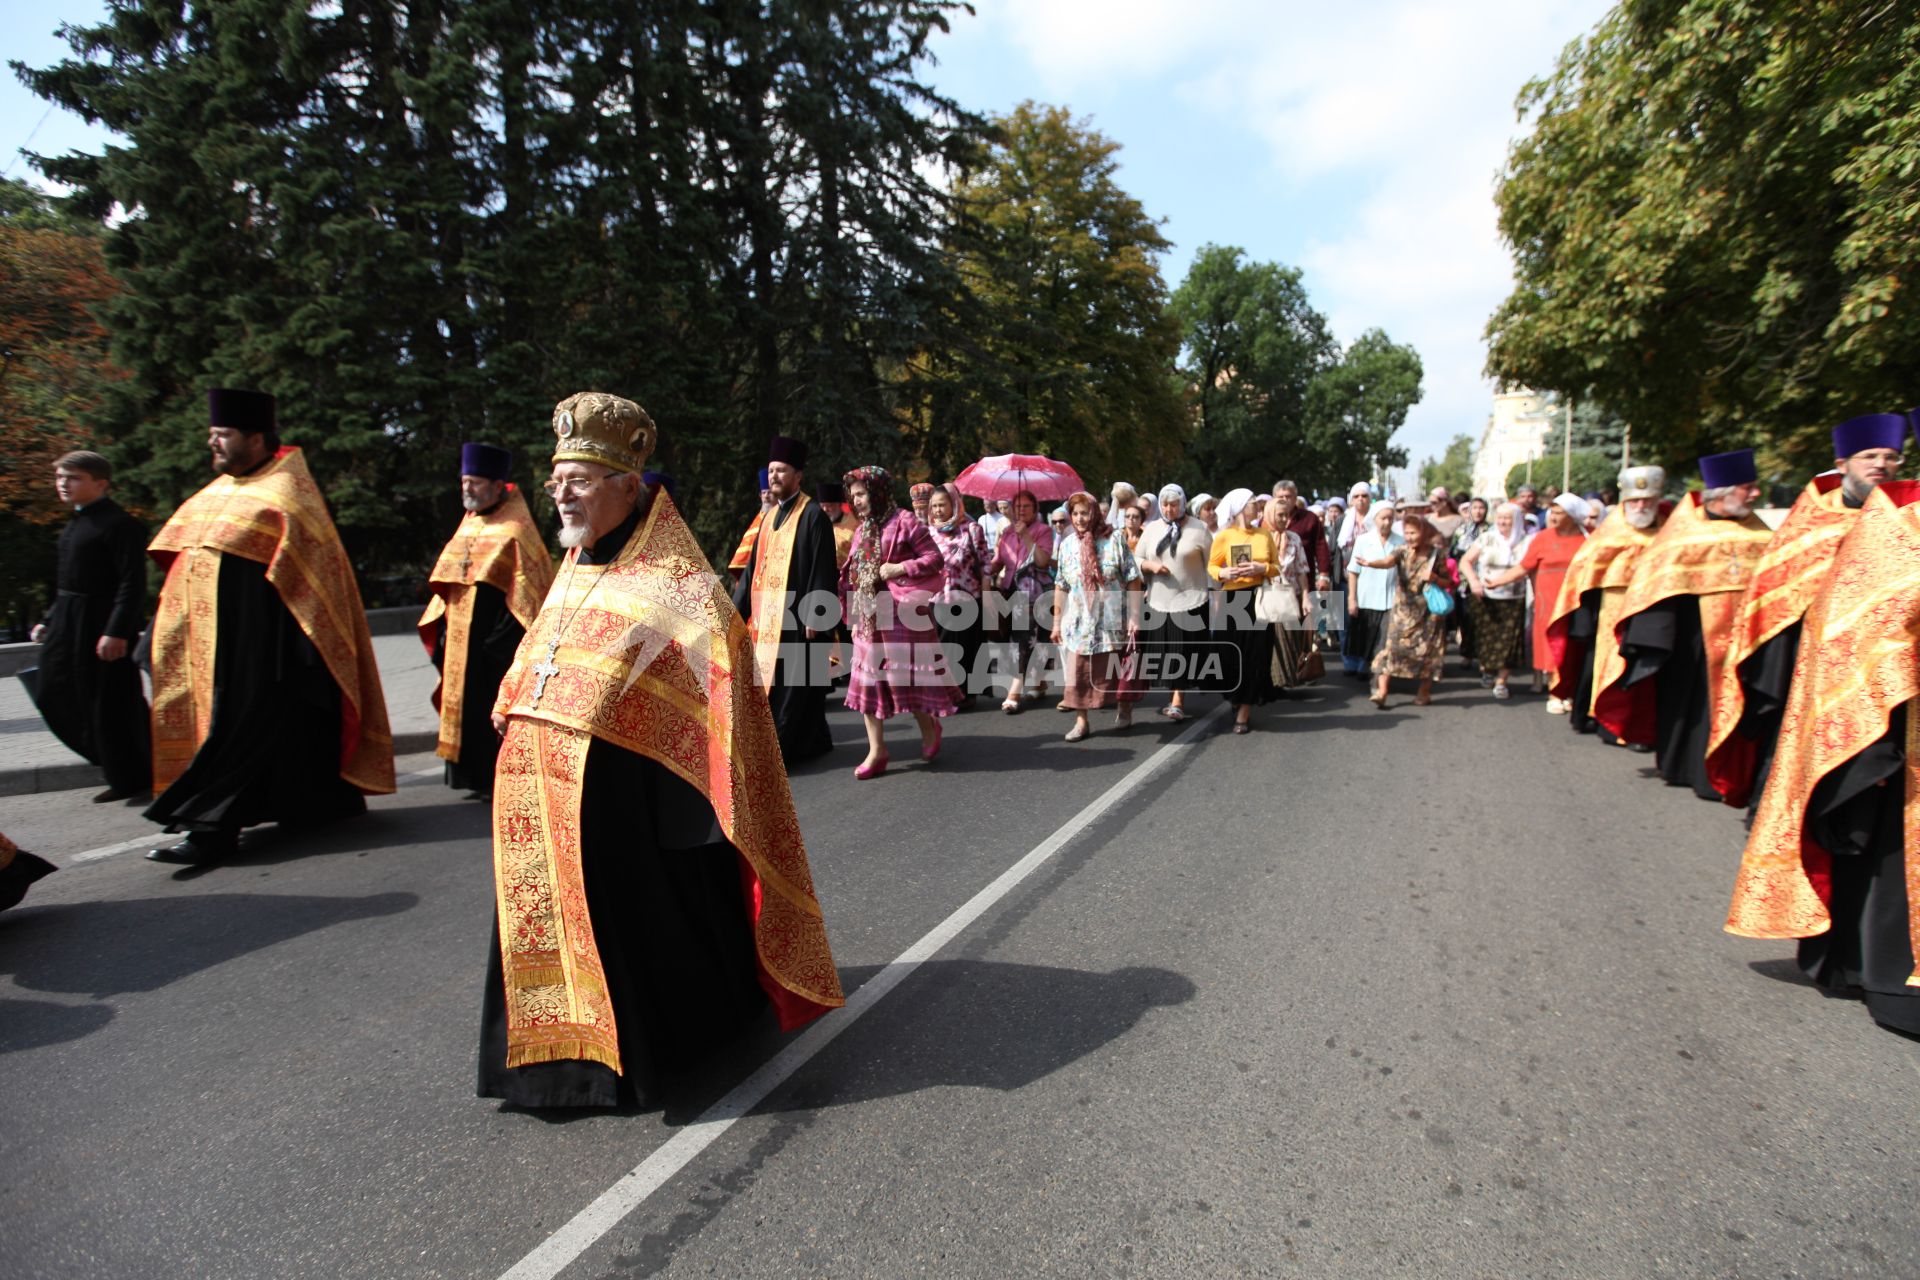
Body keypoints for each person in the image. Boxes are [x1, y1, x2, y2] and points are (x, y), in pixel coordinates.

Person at [480, 392, 843, 1108]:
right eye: (556, 479)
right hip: (541, 796)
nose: (561, 493)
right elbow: (540, 656)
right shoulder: (575, 567)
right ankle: (550, 1060)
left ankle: (630, 1053)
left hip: (628, 813)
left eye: (578, 481)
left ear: (628, 485)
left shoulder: (679, 586)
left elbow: (721, 695)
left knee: (632, 933)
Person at [144, 389, 394, 864]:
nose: (213, 443)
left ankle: (209, 832)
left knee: (237, 733)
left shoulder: (286, 493)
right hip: (209, 645)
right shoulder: (213, 494)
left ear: (256, 438)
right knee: (285, 733)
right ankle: (323, 803)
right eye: (213, 435)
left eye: (223, 435)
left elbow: (316, 577)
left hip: (265, 649)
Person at [1725, 474, 1920, 1036]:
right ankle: (1887, 977)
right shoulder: (1893, 525)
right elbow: (1862, 631)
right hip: (1900, 725)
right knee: (1891, 856)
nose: (1881, 463)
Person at [1706, 413, 1906, 809]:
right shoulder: (1814, 520)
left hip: (1887, 664)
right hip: (1812, 663)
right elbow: (1774, 591)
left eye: (1890, 456)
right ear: (1842, 464)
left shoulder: (1908, 520)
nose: (1880, 464)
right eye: (1869, 456)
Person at [1613, 449, 1774, 799]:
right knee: (1690, 706)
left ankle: (1735, 774)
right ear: (1722, 492)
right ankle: (1685, 768)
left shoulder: (1762, 534)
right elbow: (1653, 587)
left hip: (1749, 641)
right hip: (1691, 641)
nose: (1755, 494)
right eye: (1748, 488)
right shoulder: (1681, 535)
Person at [417, 443, 553, 800]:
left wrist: (497, 643)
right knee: (464, 706)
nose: (467, 489)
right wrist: (444, 629)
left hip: (493, 643)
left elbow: (528, 593)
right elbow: (447, 584)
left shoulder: (516, 529)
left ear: (497, 486)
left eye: (475, 482)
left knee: (488, 706)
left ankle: (498, 777)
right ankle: (470, 777)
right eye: (464, 481)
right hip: (459, 638)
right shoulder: (467, 526)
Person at [24, 450, 151, 802]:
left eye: (74, 478)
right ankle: (118, 765)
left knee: (109, 701)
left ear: (101, 483)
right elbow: (67, 579)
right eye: (61, 477)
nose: (63, 484)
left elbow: (131, 584)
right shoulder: (74, 523)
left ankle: (131, 775)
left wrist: (117, 630)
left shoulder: (119, 524)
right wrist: (49, 620)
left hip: (101, 623)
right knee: (54, 692)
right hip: (68, 621)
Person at [731, 436, 838, 763]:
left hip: (798, 620)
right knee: (783, 689)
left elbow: (823, 567)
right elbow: (751, 571)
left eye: (782, 471)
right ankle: (814, 741)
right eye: (772, 471)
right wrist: (734, 613)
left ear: (798, 475)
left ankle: (781, 753)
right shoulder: (767, 518)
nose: (775, 476)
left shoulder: (813, 515)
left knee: (797, 689)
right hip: (768, 623)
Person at [840, 466, 952, 777]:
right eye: (854, 495)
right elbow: (854, 576)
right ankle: (877, 751)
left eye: (862, 494)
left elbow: (934, 559)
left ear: (877, 492)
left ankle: (929, 729)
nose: (856, 500)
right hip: (868, 618)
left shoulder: (905, 521)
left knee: (907, 678)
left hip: (901, 614)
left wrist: (899, 567)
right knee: (867, 683)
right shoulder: (861, 530)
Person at [1544, 466, 1668, 740]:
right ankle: (1605, 720)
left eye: (1647, 500)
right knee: (1608, 662)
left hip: (1656, 612)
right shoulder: (1608, 534)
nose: (1641, 506)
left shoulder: (1670, 534)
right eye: (1635, 500)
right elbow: (1583, 576)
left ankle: (1642, 727)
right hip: (1612, 615)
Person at [1051, 491, 1143, 741]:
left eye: (1085, 512)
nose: (1080, 519)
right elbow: (1061, 584)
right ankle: (1082, 722)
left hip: (1114, 620)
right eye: (1075, 513)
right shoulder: (1068, 545)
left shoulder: (1114, 539)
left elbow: (1133, 579)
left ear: (1095, 513)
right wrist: (1057, 622)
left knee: (1119, 669)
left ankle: (1124, 708)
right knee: (1079, 673)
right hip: (1080, 622)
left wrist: (1135, 617)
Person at [1485, 493, 1588, 710]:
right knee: (1553, 645)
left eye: (1560, 513)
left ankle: (1569, 691)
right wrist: (1497, 581)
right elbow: (1524, 567)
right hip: (1548, 602)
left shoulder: (1588, 538)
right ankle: (1555, 693)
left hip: (1578, 603)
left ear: (1571, 516)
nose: (1554, 516)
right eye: (1553, 512)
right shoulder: (1542, 538)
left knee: (1575, 647)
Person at [1136, 483, 1213, 721]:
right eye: (1166, 505)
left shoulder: (1199, 528)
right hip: (1160, 600)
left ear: (1182, 503)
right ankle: (1174, 695)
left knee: (1184, 652)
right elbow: (1136, 556)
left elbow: (1212, 565)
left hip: (1191, 600)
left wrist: (1217, 595)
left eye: (1174, 504)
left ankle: (1178, 699)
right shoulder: (1151, 529)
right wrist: (1150, 566)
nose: (1169, 509)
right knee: (1167, 652)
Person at [1366, 508, 1455, 709]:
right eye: (1407, 532)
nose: (1410, 537)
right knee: (1392, 648)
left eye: (1413, 532)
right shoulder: (1401, 551)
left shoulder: (1435, 554)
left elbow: (1447, 581)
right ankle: (1382, 691)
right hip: (1402, 611)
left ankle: (1424, 692)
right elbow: (1387, 562)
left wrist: (1434, 578)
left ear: (1423, 533)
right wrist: (1371, 563)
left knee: (1427, 653)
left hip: (1427, 613)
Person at [1207, 489, 1277, 734]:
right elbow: (1212, 567)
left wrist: (1262, 567)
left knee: (1254, 655)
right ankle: (1235, 695)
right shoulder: (1225, 536)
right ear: (1238, 508)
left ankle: (1245, 711)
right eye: (1252, 503)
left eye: (1257, 503)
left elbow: (1276, 568)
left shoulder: (1264, 535)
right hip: (1231, 599)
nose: (1257, 506)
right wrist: (1223, 573)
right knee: (1228, 653)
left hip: (1257, 599)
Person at [988, 490, 1054, 712]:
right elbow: (998, 561)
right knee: (1021, 641)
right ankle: (1039, 681)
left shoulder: (1043, 530)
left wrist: (1026, 535)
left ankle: (1013, 692)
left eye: (1026, 506)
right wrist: (985, 570)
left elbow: (1043, 562)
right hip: (1010, 592)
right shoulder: (1006, 532)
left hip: (1036, 594)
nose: (1021, 510)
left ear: (1035, 509)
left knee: (1023, 641)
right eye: (1017, 507)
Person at [925, 485, 990, 703]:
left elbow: (985, 562)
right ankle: (947, 693)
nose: (937, 510)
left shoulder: (971, 529)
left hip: (967, 597)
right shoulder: (928, 532)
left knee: (965, 647)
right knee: (943, 648)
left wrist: (988, 592)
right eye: (933, 506)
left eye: (942, 504)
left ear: (954, 504)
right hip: (937, 599)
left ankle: (965, 694)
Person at [1459, 502, 1530, 698]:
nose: (1502, 521)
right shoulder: (1487, 538)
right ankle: (1487, 670)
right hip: (1485, 597)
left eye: (1507, 518)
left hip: (1513, 598)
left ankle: (1502, 681)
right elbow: (1465, 561)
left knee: (1508, 641)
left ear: (1516, 520)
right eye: (1499, 517)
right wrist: (1474, 581)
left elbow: (1528, 568)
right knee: (1485, 639)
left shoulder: (1526, 541)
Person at [1343, 500, 1402, 678]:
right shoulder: (1363, 540)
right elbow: (1353, 571)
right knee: (1364, 634)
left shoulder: (1400, 541)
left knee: (1384, 637)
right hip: (1366, 597)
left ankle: (1377, 670)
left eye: (1390, 518)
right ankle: (1361, 664)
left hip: (1391, 598)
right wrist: (1351, 599)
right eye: (1383, 518)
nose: (1387, 522)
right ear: (1375, 519)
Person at [1263, 495, 1313, 690]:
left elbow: (1302, 570)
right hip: (1266, 598)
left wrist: (1306, 597)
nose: (1284, 519)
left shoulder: (1294, 538)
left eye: (1287, 515)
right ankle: (1271, 682)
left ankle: (1285, 680)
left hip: (1289, 597)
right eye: (1280, 515)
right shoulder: (1260, 537)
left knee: (1290, 639)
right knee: (1271, 642)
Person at [1274, 479, 1333, 598]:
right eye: (1281, 496)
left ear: (1295, 498)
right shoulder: (1267, 522)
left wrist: (1324, 575)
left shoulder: (1310, 518)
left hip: (1304, 580)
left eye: (1288, 496)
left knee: (1307, 615)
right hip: (1274, 584)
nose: (1284, 500)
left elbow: (1320, 547)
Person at [727, 466, 773, 580]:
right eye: (764, 493)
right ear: (760, 496)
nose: (766, 496)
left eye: (769, 492)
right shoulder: (757, 522)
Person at [818, 480, 856, 568]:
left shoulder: (854, 523)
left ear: (839, 504)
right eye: (822, 506)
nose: (825, 510)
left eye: (829, 506)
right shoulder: (816, 524)